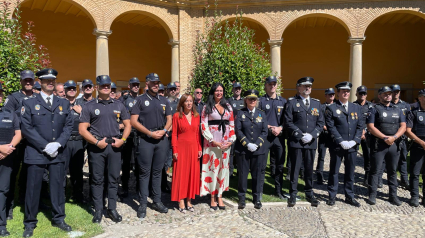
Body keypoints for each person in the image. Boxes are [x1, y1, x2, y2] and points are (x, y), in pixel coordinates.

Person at [20, 68, 74, 237]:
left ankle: (59, 219)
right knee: (33, 188)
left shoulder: (63, 103)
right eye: (47, 80)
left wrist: (58, 144)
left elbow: (69, 126)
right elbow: (26, 128)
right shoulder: (29, 103)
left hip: (57, 153)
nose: (50, 82)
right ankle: (30, 222)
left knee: (58, 187)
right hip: (36, 152)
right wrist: (45, 146)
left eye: (53, 80)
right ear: (40, 82)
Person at [79, 75, 131, 223]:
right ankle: (98, 210)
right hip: (97, 148)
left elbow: (128, 125)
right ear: (97, 87)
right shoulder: (89, 106)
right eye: (103, 85)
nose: (106, 87)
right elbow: (82, 129)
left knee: (114, 179)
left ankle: (112, 209)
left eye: (108, 85)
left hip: (114, 147)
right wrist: (96, 142)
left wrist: (123, 140)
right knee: (97, 179)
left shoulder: (119, 105)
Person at [130, 73, 172, 218]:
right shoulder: (140, 100)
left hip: (161, 140)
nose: (156, 85)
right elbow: (134, 121)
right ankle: (142, 204)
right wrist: (149, 133)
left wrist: (165, 130)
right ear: (147, 83)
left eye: (157, 83)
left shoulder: (164, 100)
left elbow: (169, 118)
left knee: (157, 172)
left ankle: (157, 201)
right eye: (153, 83)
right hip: (146, 140)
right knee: (144, 173)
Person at [284, 77, 324, 207]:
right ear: (298, 87)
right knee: (295, 168)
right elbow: (288, 122)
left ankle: (309, 192)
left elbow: (320, 123)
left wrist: (312, 135)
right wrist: (300, 135)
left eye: (310, 86)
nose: (308, 88)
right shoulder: (291, 102)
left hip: (310, 142)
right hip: (297, 141)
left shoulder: (316, 104)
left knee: (308, 168)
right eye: (305, 86)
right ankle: (293, 193)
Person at [3, 70, 36, 219]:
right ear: (21, 81)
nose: (28, 82)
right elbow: (6, 119)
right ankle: (8, 205)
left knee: (29, 173)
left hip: (33, 142)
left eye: (30, 80)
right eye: (25, 80)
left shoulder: (38, 97)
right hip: (16, 142)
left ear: (34, 81)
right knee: (12, 173)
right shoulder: (13, 98)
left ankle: (26, 200)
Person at [366, 86, 406, 206]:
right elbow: (370, 127)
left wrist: (394, 137)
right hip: (379, 144)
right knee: (375, 170)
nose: (388, 96)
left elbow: (403, 126)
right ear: (379, 96)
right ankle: (372, 195)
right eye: (385, 94)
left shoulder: (398, 109)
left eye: (389, 94)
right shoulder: (374, 109)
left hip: (393, 144)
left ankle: (393, 196)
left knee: (392, 171)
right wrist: (384, 137)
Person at [325, 82, 363, 207]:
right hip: (337, 145)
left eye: (347, 91)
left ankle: (349, 196)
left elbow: (360, 125)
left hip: (352, 146)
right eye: (343, 91)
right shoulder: (331, 108)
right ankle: (332, 195)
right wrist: (340, 141)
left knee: (350, 172)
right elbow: (331, 126)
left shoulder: (356, 108)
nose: (346, 93)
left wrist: (355, 140)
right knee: (334, 171)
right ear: (338, 93)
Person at [200, 82, 235, 210]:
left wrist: (231, 140)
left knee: (223, 170)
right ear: (213, 92)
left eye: (221, 90)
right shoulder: (207, 107)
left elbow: (231, 125)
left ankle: (220, 195)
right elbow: (203, 125)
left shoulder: (228, 107)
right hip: (212, 144)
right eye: (216, 91)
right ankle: (212, 197)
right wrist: (212, 140)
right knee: (212, 170)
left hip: (225, 144)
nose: (219, 93)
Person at [234, 89, 268, 209]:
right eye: (250, 99)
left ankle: (256, 198)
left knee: (257, 175)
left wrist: (257, 144)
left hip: (258, 150)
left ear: (257, 100)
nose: (252, 100)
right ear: (246, 100)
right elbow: (238, 130)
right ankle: (242, 198)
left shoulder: (262, 114)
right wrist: (247, 143)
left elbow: (265, 131)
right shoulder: (240, 113)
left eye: (254, 99)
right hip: (243, 150)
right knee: (243, 174)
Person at [171, 93, 202, 213]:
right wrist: (175, 149)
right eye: (186, 101)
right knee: (181, 174)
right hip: (181, 148)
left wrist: (199, 148)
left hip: (194, 148)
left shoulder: (196, 116)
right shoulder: (176, 116)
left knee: (191, 174)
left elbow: (197, 134)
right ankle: (181, 200)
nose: (189, 103)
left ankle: (189, 200)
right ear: (182, 103)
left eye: (191, 101)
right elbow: (174, 134)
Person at [258, 76, 287, 200]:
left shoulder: (283, 101)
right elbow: (258, 119)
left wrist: (280, 128)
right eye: (270, 84)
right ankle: (259, 191)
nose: (272, 86)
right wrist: (269, 126)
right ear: (266, 85)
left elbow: (288, 120)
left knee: (279, 165)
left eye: (274, 84)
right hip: (265, 138)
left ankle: (279, 190)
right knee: (262, 165)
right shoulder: (261, 101)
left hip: (279, 138)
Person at [0, 83, 22, 237]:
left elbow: (18, 133)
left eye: (0, 94)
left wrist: (9, 148)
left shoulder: (10, 113)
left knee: (3, 190)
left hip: (6, 158)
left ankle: (1, 224)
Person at [63, 80, 85, 202]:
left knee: (77, 170)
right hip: (65, 141)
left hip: (78, 141)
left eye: (73, 89)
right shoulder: (60, 104)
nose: (72, 90)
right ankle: (62, 195)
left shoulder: (82, 104)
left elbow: (89, 122)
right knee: (62, 170)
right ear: (65, 90)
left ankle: (78, 195)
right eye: (69, 88)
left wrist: (81, 113)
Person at [120, 77, 141, 198]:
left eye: (137, 85)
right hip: (127, 134)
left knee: (139, 162)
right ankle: (125, 188)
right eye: (133, 85)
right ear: (129, 86)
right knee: (126, 163)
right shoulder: (124, 100)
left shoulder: (141, 99)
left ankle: (139, 189)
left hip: (138, 134)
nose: (136, 86)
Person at [405, 89, 425, 207]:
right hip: (417, 145)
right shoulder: (414, 112)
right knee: (415, 173)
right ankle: (414, 196)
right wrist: (421, 142)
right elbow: (408, 131)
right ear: (420, 98)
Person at [353, 85, 374, 186]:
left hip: (367, 135)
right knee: (351, 155)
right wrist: (359, 131)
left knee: (368, 156)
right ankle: (349, 175)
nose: (362, 95)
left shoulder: (371, 106)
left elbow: (372, 121)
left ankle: (367, 177)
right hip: (354, 134)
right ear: (356, 94)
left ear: (366, 95)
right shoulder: (352, 106)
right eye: (360, 93)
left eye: (364, 93)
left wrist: (364, 131)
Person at [390, 84, 410, 189]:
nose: (396, 93)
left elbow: (409, 121)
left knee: (403, 158)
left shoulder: (405, 105)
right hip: (390, 136)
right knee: (388, 159)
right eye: (394, 91)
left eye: (397, 91)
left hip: (402, 137)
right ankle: (389, 179)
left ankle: (404, 180)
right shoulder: (388, 105)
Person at [316, 88, 335, 185]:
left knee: (333, 157)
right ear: (325, 95)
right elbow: (319, 119)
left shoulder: (337, 107)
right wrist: (325, 127)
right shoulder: (321, 107)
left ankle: (332, 176)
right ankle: (319, 175)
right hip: (324, 135)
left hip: (333, 136)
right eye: (329, 94)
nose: (331, 96)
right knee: (321, 156)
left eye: (333, 94)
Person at [227, 82, 244, 177]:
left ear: (241, 90)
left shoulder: (244, 101)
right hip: (232, 129)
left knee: (240, 150)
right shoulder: (229, 101)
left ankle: (240, 170)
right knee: (231, 151)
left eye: (239, 88)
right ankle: (230, 171)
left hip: (241, 129)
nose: (237, 90)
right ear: (233, 90)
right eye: (235, 88)